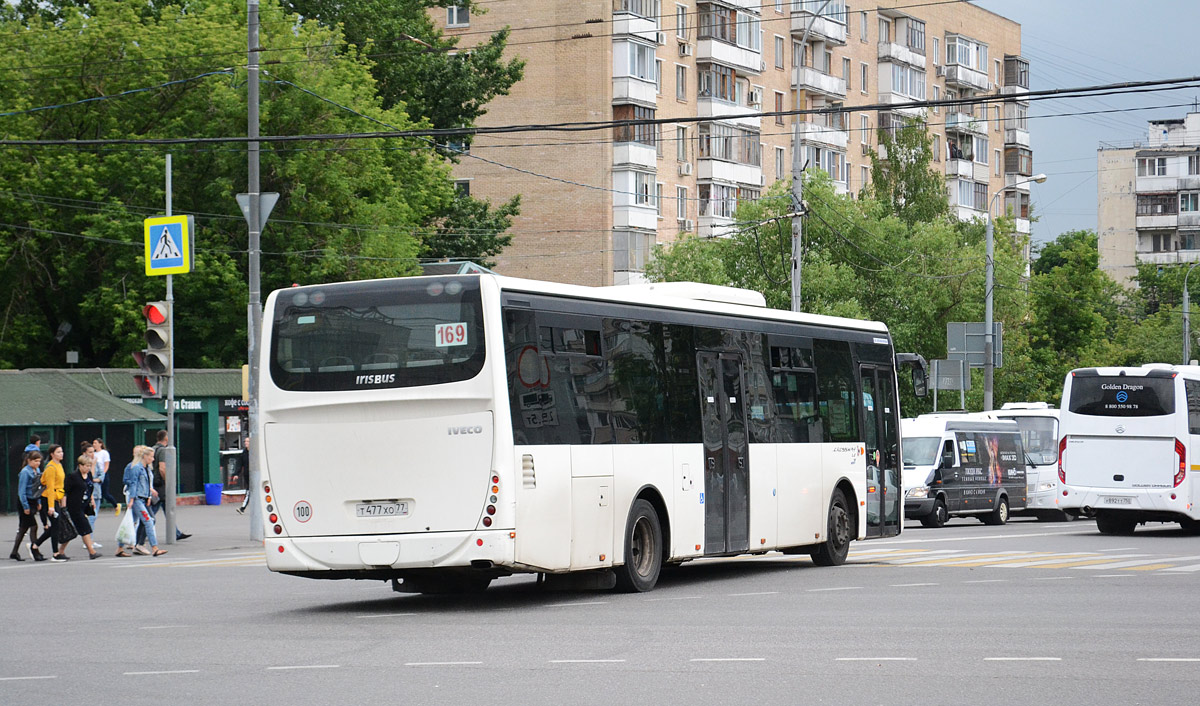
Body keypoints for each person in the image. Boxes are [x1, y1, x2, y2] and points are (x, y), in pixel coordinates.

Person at [116, 445, 166, 558]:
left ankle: (119, 548)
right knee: (148, 521)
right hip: (137, 499)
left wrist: (148, 496)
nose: (153, 459)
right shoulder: (136, 468)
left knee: (131, 522)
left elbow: (148, 483)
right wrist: (132, 499)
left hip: (142, 498)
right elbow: (133, 484)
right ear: (145, 456)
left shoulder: (146, 468)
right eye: (151, 457)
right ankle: (155, 548)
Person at [146, 430, 190, 541]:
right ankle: (142, 531)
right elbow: (162, 468)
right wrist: (168, 482)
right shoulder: (163, 451)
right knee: (155, 508)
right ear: (166, 439)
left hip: (154, 482)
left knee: (166, 507)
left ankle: (176, 532)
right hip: (160, 484)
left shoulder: (153, 448)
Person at [33, 444, 71, 561]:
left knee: (56, 525)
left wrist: (60, 500)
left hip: (56, 498)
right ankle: (55, 553)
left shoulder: (59, 465)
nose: (61, 454)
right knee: (55, 525)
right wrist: (51, 507)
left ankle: (35, 545)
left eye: (62, 451)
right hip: (49, 499)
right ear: (52, 454)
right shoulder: (50, 468)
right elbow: (49, 488)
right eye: (58, 452)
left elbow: (60, 485)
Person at [11, 451, 45, 561]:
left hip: (34, 500)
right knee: (34, 526)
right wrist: (25, 506)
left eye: (39, 461)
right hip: (25, 502)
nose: (38, 463)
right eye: (35, 461)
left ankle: (14, 552)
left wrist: (38, 501)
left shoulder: (37, 470)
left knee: (23, 528)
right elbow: (22, 491)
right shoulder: (25, 472)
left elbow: (37, 487)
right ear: (29, 460)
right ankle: (35, 551)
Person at [64, 455, 100, 559]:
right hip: (74, 506)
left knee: (75, 530)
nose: (88, 468)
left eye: (90, 465)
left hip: (84, 505)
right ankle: (92, 552)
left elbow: (90, 487)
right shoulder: (73, 476)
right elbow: (65, 491)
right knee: (85, 527)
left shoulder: (88, 475)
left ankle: (60, 551)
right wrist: (63, 506)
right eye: (86, 466)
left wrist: (91, 499)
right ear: (80, 465)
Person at [93, 438, 114, 513]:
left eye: (95, 443)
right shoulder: (93, 454)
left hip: (103, 474)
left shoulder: (104, 453)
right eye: (93, 443)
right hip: (95, 475)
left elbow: (106, 465)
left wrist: (103, 474)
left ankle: (115, 505)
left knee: (105, 493)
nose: (94, 445)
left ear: (100, 444)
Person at [237, 437, 252, 515]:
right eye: (245, 441)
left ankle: (242, 508)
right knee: (250, 491)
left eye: (247, 441)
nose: (246, 443)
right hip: (247, 475)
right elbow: (240, 464)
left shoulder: (254, 452)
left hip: (254, 475)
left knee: (249, 491)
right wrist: (236, 474)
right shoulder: (244, 452)